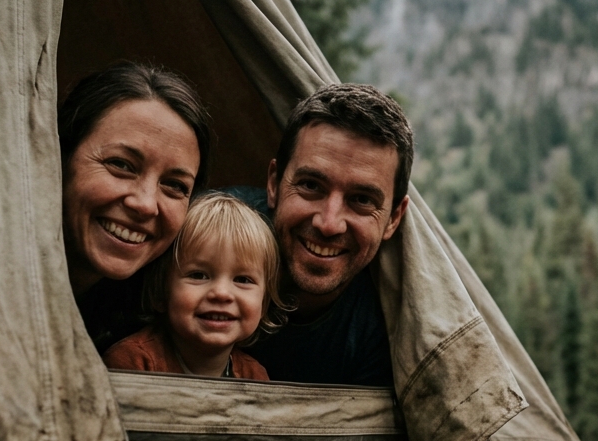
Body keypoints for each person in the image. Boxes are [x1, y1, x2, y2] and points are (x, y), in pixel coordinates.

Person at [230, 83, 412, 387]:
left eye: (362, 200)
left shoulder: (391, 331)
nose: (329, 224)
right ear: (274, 183)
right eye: (311, 185)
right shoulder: (198, 235)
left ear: (393, 218)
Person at [59, 62, 213, 352]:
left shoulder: (154, 337)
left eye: (175, 185)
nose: (144, 204)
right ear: (60, 156)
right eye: (120, 165)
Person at [101, 193, 283, 379]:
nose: (221, 293)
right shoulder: (133, 363)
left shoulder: (255, 377)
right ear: (160, 292)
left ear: (264, 303)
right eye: (198, 275)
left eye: (243, 280)